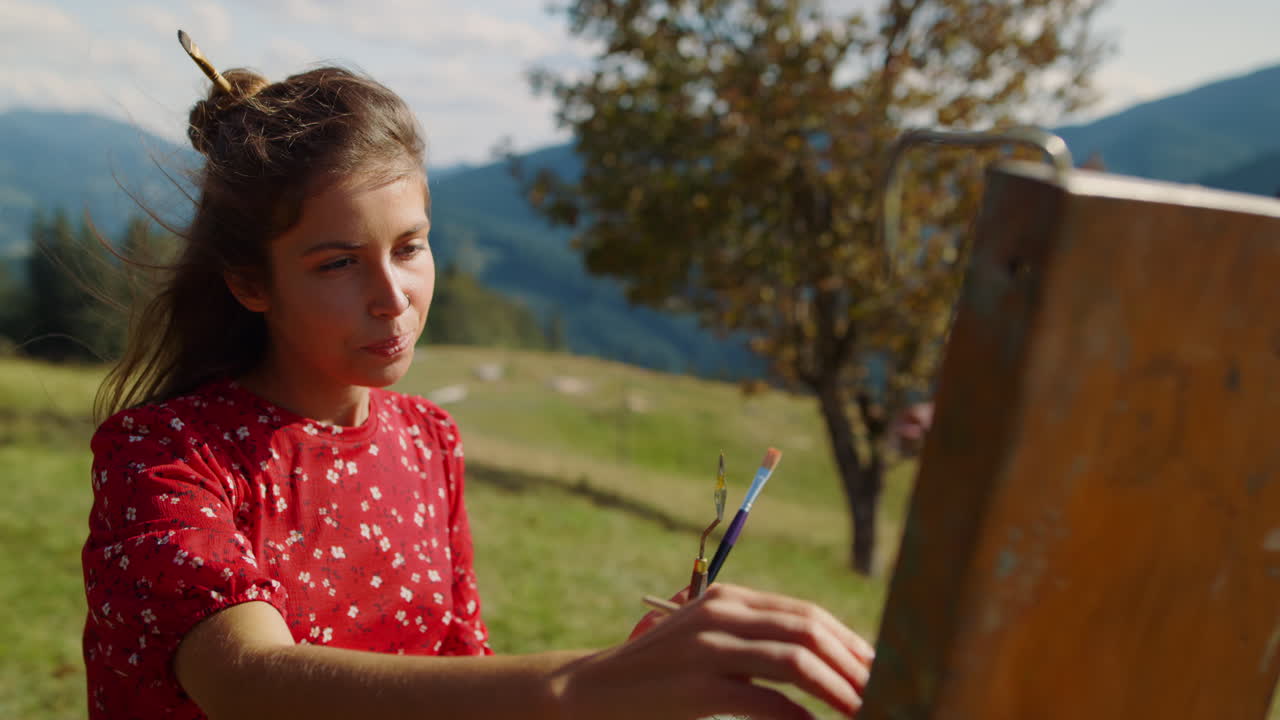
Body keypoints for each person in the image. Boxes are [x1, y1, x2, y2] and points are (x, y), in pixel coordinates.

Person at [81, 34, 875, 720]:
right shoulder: (164, 455)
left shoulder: (428, 440)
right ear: (250, 283)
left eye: (410, 247)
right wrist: (585, 685)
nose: (392, 299)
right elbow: (250, 683)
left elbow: (460, 678)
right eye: (337, 264)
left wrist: (625, 682)